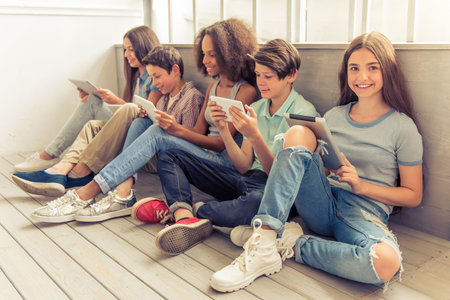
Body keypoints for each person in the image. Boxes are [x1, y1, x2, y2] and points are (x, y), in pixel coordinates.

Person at [209, 32, 423, 293]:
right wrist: (324, 168)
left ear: (387, 71)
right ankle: (264, 239)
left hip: (363, 213)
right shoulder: (333, 116)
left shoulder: (403, 127)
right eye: (354, 68)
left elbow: (413, 195)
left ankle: (290, 244)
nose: (362, 77)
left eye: (372, 68)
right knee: (298, 132)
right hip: (321, 202)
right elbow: (310, 167)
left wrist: (361, 186)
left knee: (386, 263)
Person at [29, 18, 259, 224]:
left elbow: (220, 144)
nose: (206, 59)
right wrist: (172, 127)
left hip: (224, 163)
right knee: (142, 123)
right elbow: (199, 130)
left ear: (230, 52)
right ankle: (123, 192)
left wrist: (175, 130)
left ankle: (83, 195)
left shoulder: (245, 91)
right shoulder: (214, 85)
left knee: (158, 133)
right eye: (204, 53)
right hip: (202, 155)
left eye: (212, 53)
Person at [132, 39, 319, 256]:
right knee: (171, 156)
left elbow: (279, 179)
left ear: (291, 75)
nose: (261, 82)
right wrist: (223, 129)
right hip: (247, 178)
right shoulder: (258, 107)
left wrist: (254, 135)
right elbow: (242, 166)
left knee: (255, 203)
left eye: (268, 76)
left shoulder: (304, 114)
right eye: (258, 75)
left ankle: (187, 213)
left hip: (275, 192)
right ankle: (185, 215)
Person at [12, 45, 204, 200]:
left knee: (131, 112)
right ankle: (64, 169)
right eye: (152, 77)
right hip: (145, 150)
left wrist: (164, 126)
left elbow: (187, 143)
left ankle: (78, 173)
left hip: (161, 156)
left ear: (175, 70)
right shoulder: (163, 98)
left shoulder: (191, 97)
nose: (154, 83)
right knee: (92, 126)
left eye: (157, 76)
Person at [13, 25, 161, 173]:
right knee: (92, 103)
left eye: (130, 49)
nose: (125, 54)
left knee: (94, 108)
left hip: (138, 136)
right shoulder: (136, 77)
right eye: (125, 49)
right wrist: (103, 100)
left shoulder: (155, 79)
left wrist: (115, 100)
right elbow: (128, 113)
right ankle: (55, 159)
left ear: (144, 46)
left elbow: (144, 114)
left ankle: (49, 157)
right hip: (126, 127)